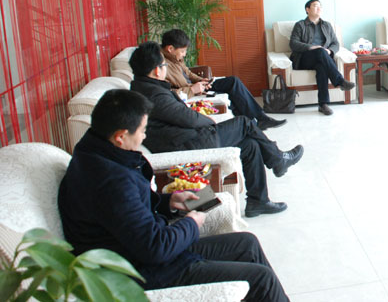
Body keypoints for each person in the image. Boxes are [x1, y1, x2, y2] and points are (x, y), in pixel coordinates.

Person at [58, 89, 289, 300]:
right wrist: (192, 223)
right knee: (261, 279)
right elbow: (155, 248)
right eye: (142, 131)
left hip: (139, 250)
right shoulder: (111, 181)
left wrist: (168, 202)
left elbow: (126, 212)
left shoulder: (94, 153)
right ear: (120, 136)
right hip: (141, 271)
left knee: (247, 243)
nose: (144, 137)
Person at [129, 41, 304, 217]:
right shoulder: (154, 95)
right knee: (244, 123)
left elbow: (180, 114)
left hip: (184, 139)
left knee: (250, 144)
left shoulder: (145, 88)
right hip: (188, 144)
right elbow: (188, 118)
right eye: (164, 65)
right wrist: (211, 123)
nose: (166, 69)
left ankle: (258, 201)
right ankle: (278, 159)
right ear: (157, 70)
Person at [160, 29, 286, 131]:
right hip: (190, 92)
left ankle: (258, 119)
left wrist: (202, 80)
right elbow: (167, 94)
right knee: (233, 89)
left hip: (197, 86)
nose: (184, 54)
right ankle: (255, 121)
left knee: (233, 82)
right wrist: (192, 89)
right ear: (170, 49)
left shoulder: (175, 58)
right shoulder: (161, 65)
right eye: (182, 51)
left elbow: (187, 73)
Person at [289, 0, 355, 116]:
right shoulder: (300, 25)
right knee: (320, 51)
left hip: (323, 58)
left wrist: (329, 51)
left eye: (320, 6)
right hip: (305, 58)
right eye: (315, 6)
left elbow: (336, 43)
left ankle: (323, 104)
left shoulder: (327, 25)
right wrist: (312, 47)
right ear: (307, 9)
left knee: (322, 67)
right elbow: (293, 43)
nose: (319, 8)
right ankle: (340, 81)